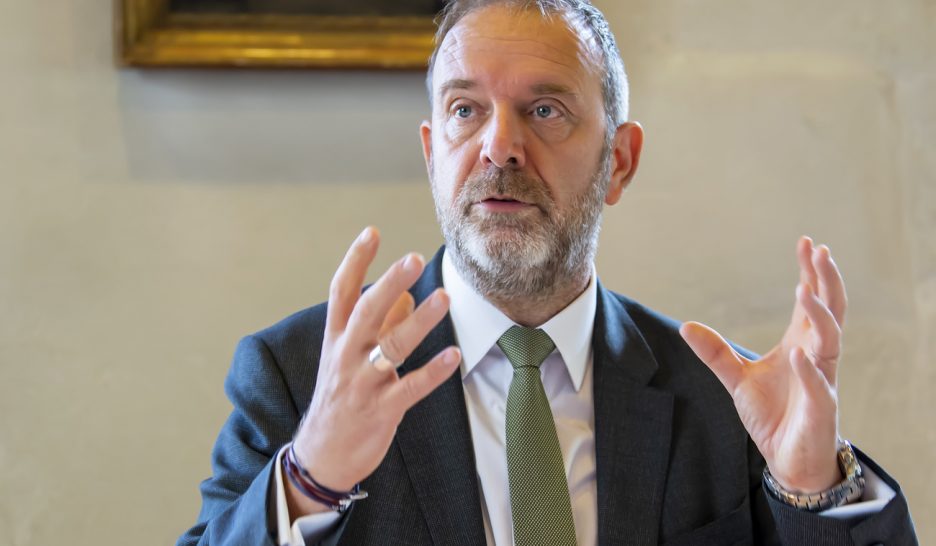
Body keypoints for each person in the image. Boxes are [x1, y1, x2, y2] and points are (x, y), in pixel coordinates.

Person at [178, 1, 918, 544]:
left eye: (545, 110)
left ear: (619, 161)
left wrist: (816, 488)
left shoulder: (726, 403)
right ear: (433, 154)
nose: (500, 146)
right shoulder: (299, 378)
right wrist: (309, 481)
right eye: (465, 110)